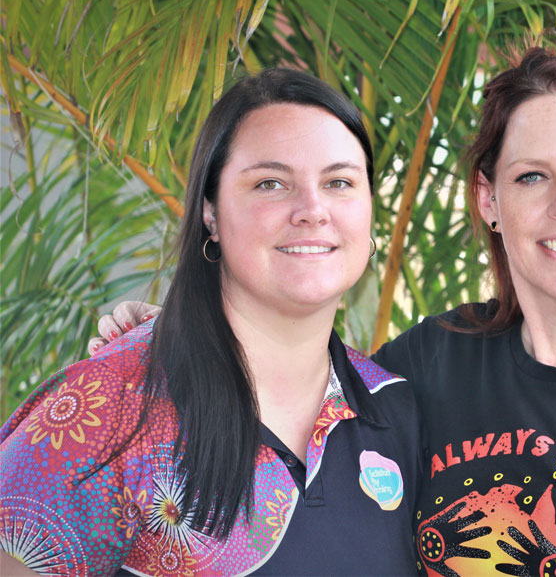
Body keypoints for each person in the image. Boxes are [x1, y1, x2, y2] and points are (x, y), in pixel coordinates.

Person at [85, 48, 556, 575]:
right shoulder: (428, 366)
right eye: (531, 175)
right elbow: (290, 389)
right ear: (488, 199)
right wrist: (174, 330)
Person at [0, 69, 422, 576]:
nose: (313, 210)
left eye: (339, 183)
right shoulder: (109, 406)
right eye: (270, 183)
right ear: (211, 213)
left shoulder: (393, 406)